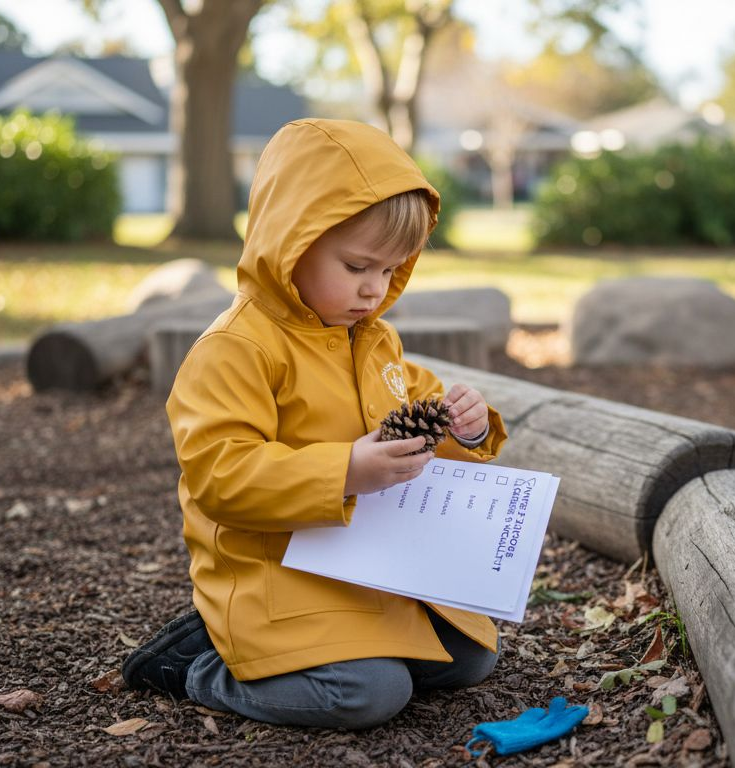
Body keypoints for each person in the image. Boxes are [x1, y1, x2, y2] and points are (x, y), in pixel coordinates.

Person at [120, 119, 508, 730]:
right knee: (368, 694)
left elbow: (414, 415)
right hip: (274, 572)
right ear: (290, 242)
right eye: (357, 266)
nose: (374, 290)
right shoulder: (235, 349)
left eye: (390, 270)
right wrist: (346, 469)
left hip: (366, 563)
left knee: (472, 656)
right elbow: (220, 475)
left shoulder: (373, 340)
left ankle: (335, 655)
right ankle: (198, 665)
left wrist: (469, 428)